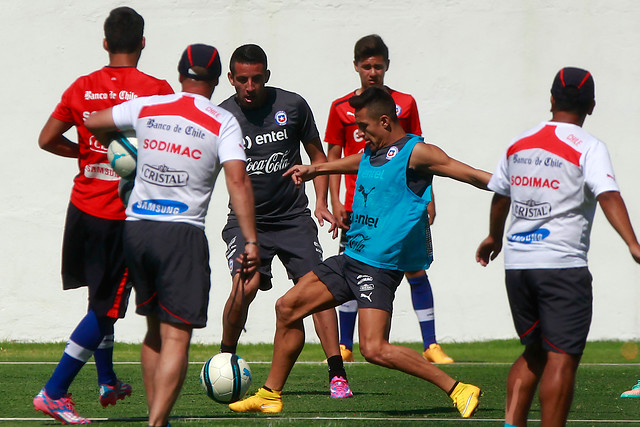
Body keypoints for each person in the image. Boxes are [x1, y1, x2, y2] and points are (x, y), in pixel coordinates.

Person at [229, 86, 489, 417]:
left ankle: (458, 388)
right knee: (287, 307)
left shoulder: (416, 152)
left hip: (379, 269)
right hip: (350, 259)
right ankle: (270, 394)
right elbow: (358, 162)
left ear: (384, 120)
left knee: (374, 349)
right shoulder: (372, 150)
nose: (360, 133)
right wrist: (315, 169)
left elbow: (467, 173)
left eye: (363, 126)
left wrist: (512, 186)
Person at [85, 43, 259, 427]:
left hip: (138, 230)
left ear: (181, 74)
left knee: (152, 330)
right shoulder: (222, 120)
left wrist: (123, 149)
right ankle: (156, 424)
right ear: (217, 81)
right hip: (181, 234)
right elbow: (237, 179)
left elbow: (94, 120)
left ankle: (155, 416)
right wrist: (250, 240)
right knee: (176, 337)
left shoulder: (148, 106)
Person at [476, 67, 640, 427]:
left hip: (517, 266)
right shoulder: (590, 147)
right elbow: (607, 193)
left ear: (551, 100)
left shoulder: (519, 142)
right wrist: (633, 243)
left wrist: (494, 237)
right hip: (561, 267)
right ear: (591, 107)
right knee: (562, 357)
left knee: (534, 351)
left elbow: (500, 196)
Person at [33, 7, 173, 425]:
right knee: (107, 308)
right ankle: (54, 392)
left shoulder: (82, 87)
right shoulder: (157, 90)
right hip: (121, 214)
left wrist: (87, 154)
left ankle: (107, 379)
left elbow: (46, 139)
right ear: (143, 42)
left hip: (83, 209)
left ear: (106, 42)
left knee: (100, 297)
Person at [218, 44, 352, 398]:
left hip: (293, 218)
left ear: (267, 76)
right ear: (231, 79)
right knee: (243, 287)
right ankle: (224, 359)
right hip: (247, 222)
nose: (250, 86)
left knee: (315, 288)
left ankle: (336, 372)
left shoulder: (291, 105)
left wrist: (322, 202)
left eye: (257, 79)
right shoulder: (220, 117)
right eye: (242, 79)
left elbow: (317, 155)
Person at [325, 34, 452, 363]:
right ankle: (344, 343)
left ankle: (431, 343)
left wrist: (429, 198)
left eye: (377, 66)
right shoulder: (342, 108)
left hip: (398, 204)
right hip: (359, 203)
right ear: (356, 67)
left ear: (386, 67)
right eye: (366, 66)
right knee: (353, 270)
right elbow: (334, 154)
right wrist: (335, 200)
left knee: (414, 269)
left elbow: (419, 154)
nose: (372, 72)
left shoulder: (404, 104)